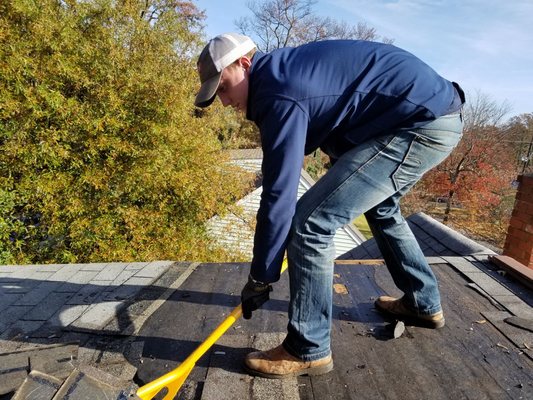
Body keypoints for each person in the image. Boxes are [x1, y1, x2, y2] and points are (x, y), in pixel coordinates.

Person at [194, 32, 465, 379]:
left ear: (244, 64)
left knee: (310, 225)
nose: (224, 101)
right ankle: (422, 302)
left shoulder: (279, 93)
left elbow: (279, 194)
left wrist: (261, 276)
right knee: (381, 210)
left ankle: (308, 348)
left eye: (225, 87)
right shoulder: (281, 76)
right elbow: (339, 113)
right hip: (427, 114)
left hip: (421, 124)